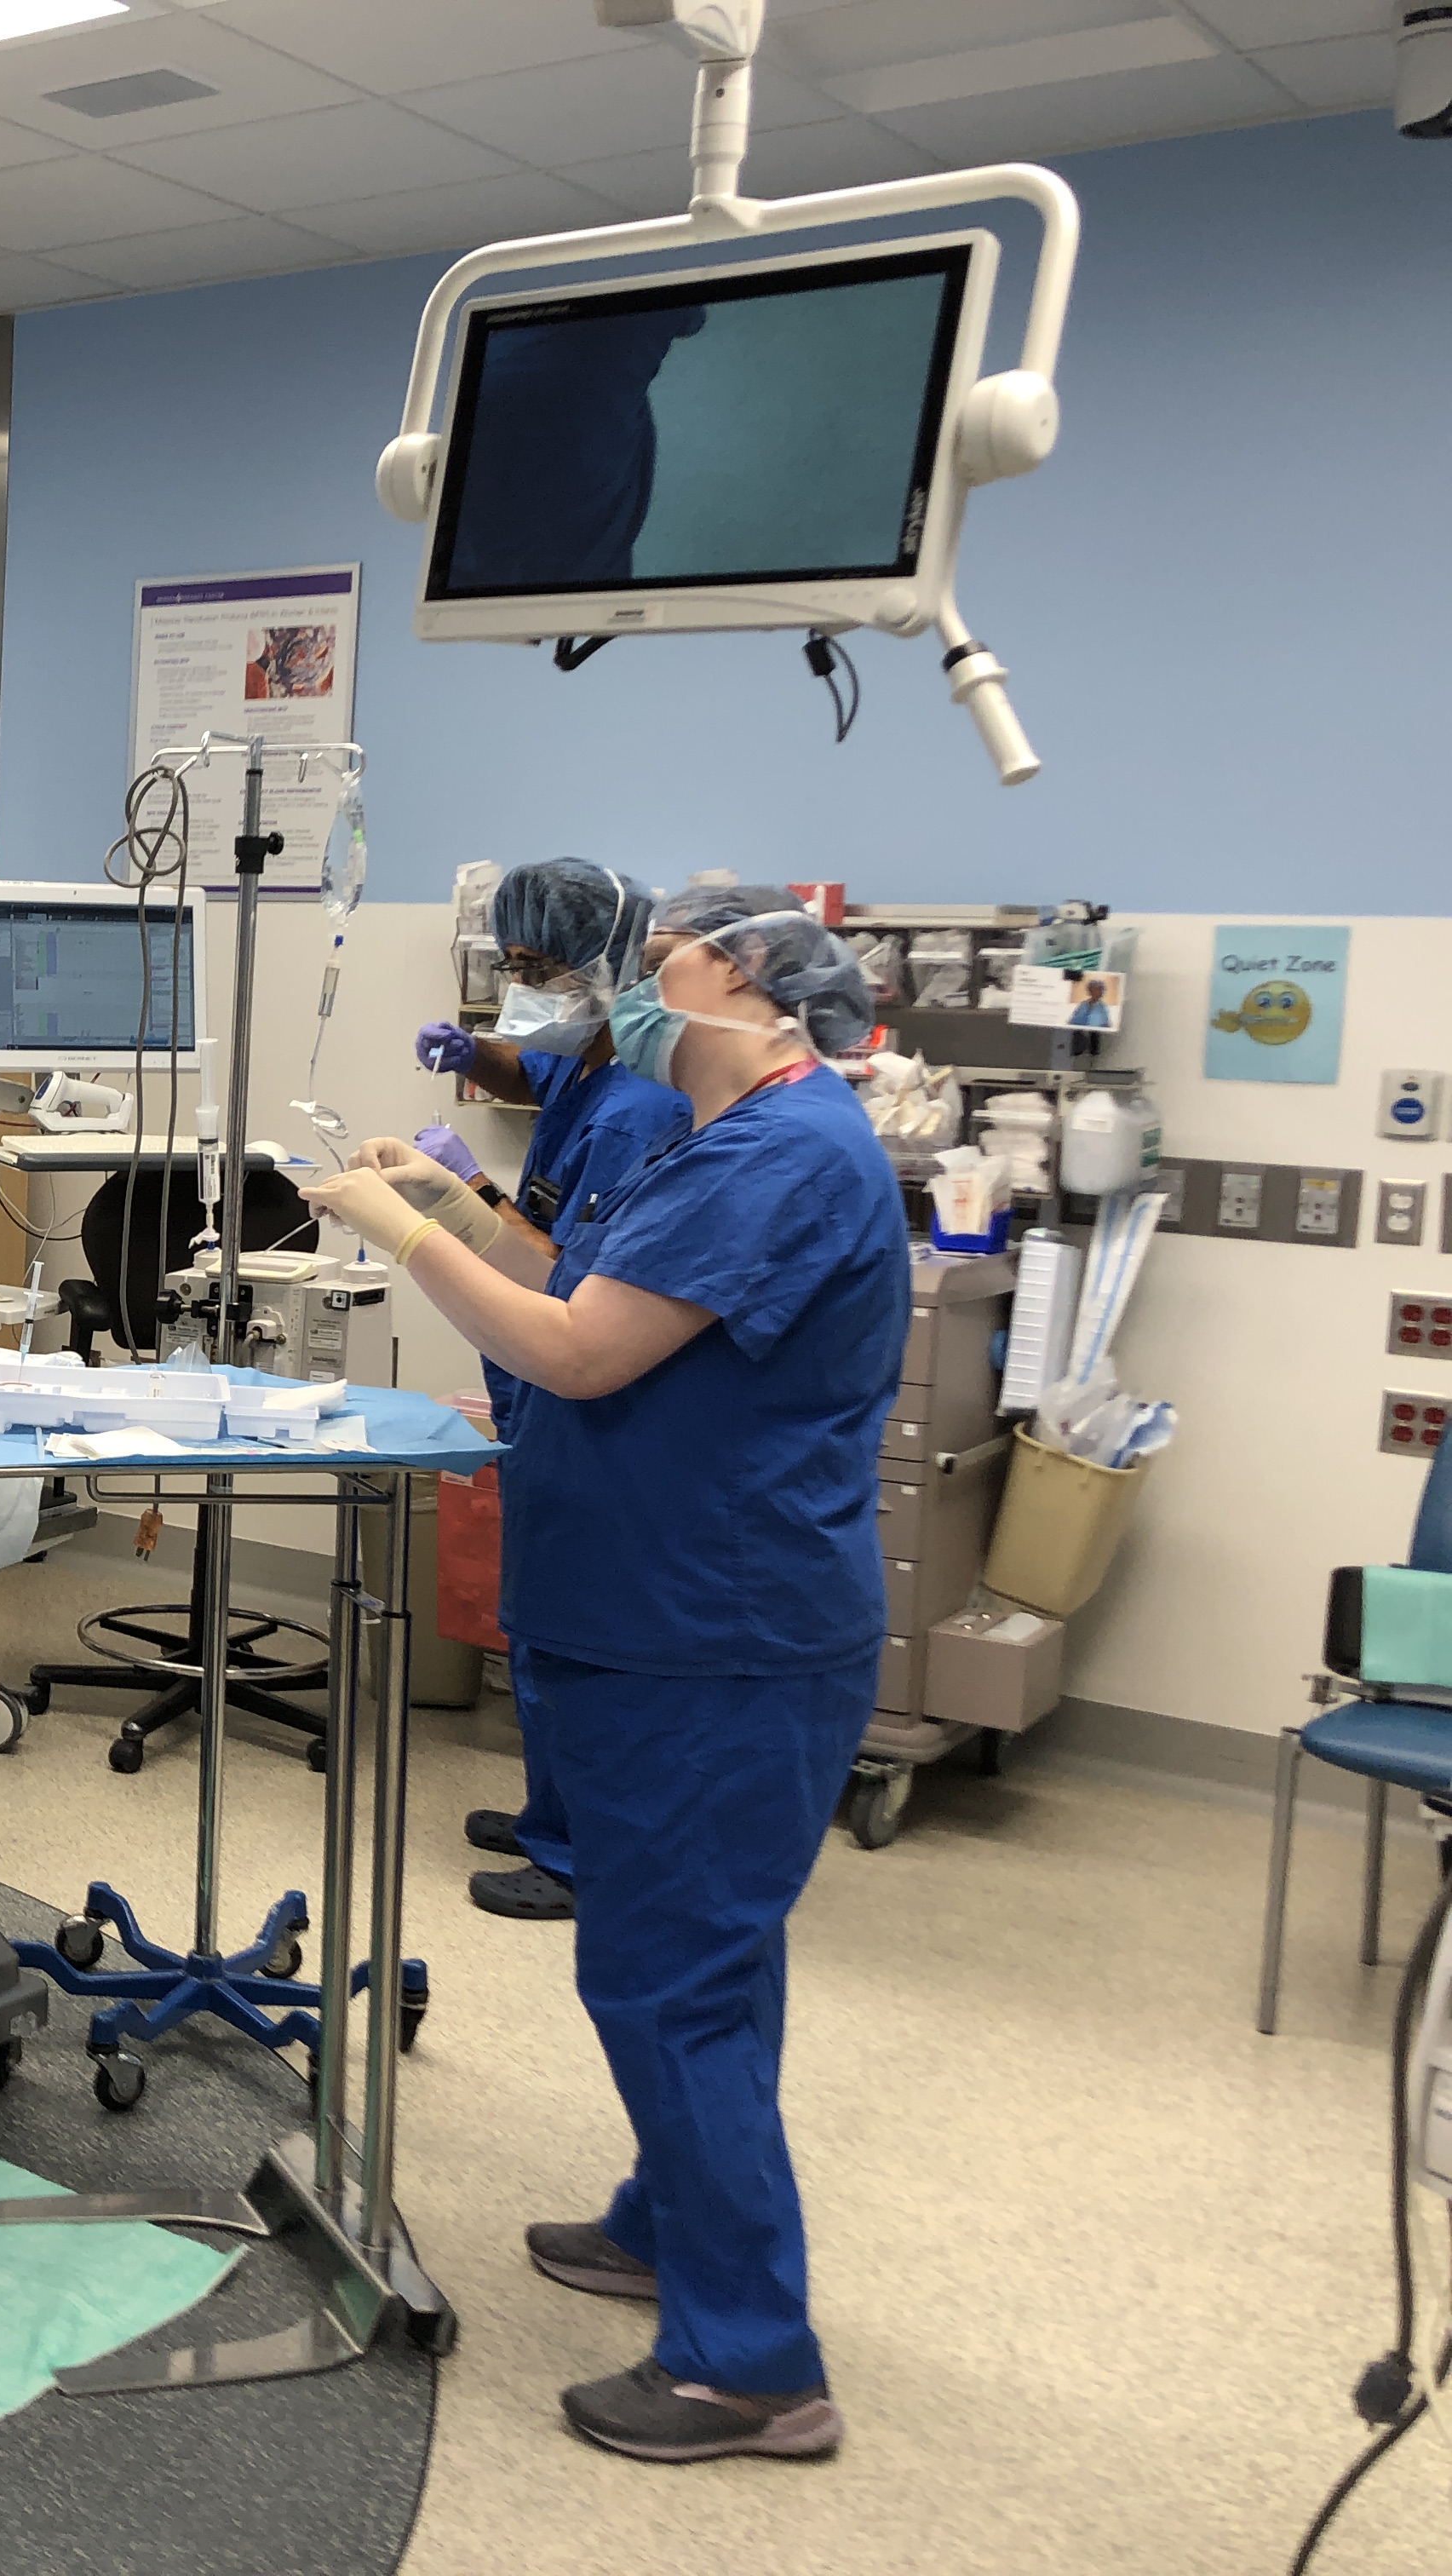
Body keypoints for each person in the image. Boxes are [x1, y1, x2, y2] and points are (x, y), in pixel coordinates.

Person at [307, 888, 904, 2467]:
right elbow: (580, 1280)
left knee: (674, 1977)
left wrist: (401, 1238)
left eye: (663, 966)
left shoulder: (783, 1156)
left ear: (753, 987)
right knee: (702, 1960)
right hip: (659, 1609)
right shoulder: (725, 1140)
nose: (628, 990)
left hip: (716, 1632)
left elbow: (575, 1354)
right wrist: (451, 1198)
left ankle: (748, 2364)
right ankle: (665, 2220)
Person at [406, 860, 686, 1922]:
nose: (521, 990)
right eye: (510, 967)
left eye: (538, 970)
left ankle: (577, 1853)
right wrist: (473, 1053)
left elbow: (565, 1279)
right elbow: (534, 1067)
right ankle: (551, 1814)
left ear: (609, 970)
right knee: (540, 1617)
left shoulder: (638, 1111)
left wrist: (459, 1192)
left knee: (575, 1631)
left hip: (585, 1402)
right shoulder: (588, 1059)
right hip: (539, 1398)